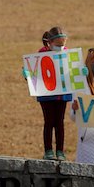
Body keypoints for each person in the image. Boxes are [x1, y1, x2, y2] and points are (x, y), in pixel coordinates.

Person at [29, 26, 72, 160]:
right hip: (46, 93)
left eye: (62, 45)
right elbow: (35, 71)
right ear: (50, 42)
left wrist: (80, 72)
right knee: (48, 121)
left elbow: (71, 70)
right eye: (57, 45)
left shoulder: (67, 53)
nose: (60, 47)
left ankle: (60, 151)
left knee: (60, 122)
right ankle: (48, 150)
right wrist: (28, 74)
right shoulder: (42, 53)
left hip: (62, 93)